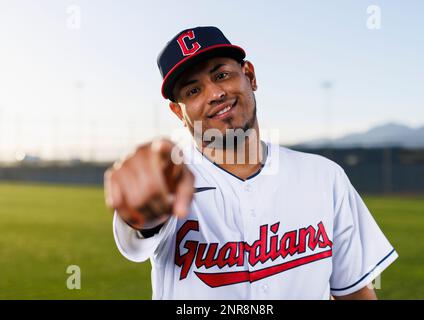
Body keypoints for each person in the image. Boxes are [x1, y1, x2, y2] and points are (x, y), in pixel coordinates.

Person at [104, 26, 398, 300]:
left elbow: (354, 291)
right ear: (178, 114)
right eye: (193, 90)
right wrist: (141, 210)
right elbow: (140, 226)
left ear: (250, 76)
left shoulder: (325, 177)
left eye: (221, 75)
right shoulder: (171, 182)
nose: (215, 94)